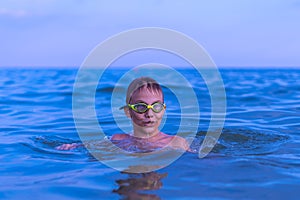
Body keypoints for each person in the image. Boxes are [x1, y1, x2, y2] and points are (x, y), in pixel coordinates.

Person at [56, 77, 190, 152]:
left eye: (156, 106)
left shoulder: (176, 142)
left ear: (163, 110)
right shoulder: (118, 139)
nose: (149, 114)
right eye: (141, 107)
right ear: (128, 112)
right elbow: (91, 145)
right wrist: (72, 146)